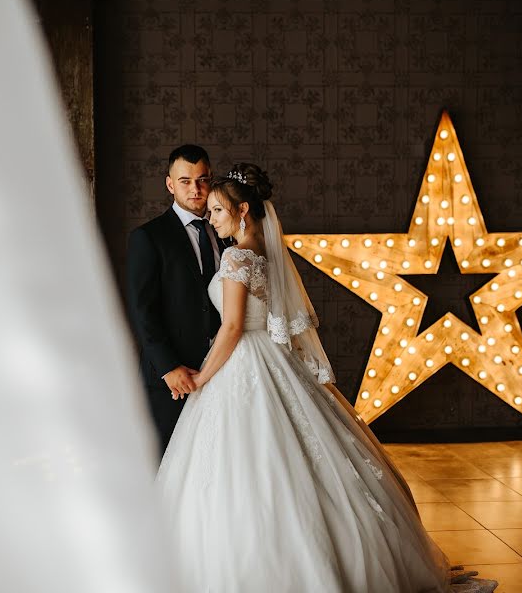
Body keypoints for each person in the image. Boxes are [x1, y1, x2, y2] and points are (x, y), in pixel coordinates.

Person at [157, 163, 498, 592]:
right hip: (272, 359)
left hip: (242, 359)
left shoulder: (236, 255)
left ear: (243, 210)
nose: (212, 219)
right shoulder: (263, 251)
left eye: (219, 211)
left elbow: (231, 327)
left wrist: (202, 378)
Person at [126, 144, 226, 453]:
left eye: (202, 179)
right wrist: (169, 367)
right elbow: (142, 309)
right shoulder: (149, 236)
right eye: (185, 181)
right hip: (171, 380)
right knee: (170, 469)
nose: (195, 189)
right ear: (170, 184)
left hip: (222, 372)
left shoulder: (226, 233)